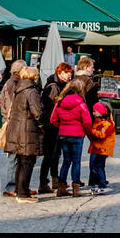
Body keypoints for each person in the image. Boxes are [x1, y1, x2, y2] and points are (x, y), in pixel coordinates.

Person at [5, 64, 44, 203]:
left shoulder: (19, 89)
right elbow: (37, 112)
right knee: (27, 162)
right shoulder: (31, 91)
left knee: (21, 162)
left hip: (18, 130)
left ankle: (21, 190)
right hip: (28, 131)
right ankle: (22, 194)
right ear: (34, 76)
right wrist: (43, 127)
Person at [51, 78, 93, 197]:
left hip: (63, 135)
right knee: (76, 162)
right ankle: (76, 188)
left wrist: (62, 127)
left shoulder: (59, 102)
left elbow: (53, 119)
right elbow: (87, 122)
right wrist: (88, 134)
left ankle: (61, 187)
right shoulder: (81, 104)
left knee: (66, 161)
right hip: (77, 135)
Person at [38, 62, 74, 194]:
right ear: (60, 73)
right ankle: (44, 182)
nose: (70, 76)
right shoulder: (54, 87)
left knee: (56, 153)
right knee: (50, 154)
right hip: (52, 125)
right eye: (68, 74)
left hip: (56, 124)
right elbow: (52, 107)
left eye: (71, 74)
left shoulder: (61, 84)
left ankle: (54, 180)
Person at [0, 59, 29, 197]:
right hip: (12, 123)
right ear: (19, 70)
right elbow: (12, 106)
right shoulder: (13, 84)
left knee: (17, 155)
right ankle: (11, 186)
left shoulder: (13, 82)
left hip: (13, 122)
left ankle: (17, 185)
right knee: (13, 156)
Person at [87, 102, 115, 193]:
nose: (93, 113)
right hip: (95, 148)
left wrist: (91, 130)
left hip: (102, 149)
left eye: (95, 111)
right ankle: (96, 183)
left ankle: (102, 184)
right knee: (93, 166)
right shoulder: (98, 121)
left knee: (98, 166)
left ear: (102, 112)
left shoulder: (107, 124)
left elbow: (102, 135)